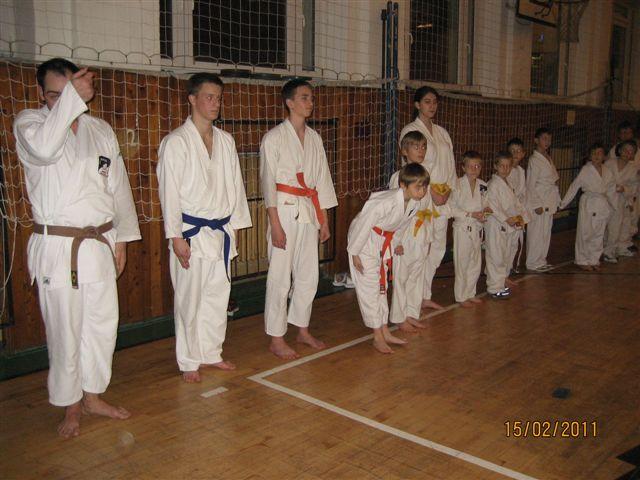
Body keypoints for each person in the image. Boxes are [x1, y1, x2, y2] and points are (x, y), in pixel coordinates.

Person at [13, 58, 141, 438]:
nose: (63, 100)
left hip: (99, 242)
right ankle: (70, 405)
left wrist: (122, 237)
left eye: (69, 91)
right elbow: (44, 150)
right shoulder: (30, 124)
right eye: (56, 94)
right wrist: (71, 99)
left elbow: (118, 187)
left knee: (102, 325)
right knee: (65, 329)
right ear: (42, 94)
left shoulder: (99, 130)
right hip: (58, 246)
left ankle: (93, 396)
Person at [157, 73, 252, 383]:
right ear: (192, 99)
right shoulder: (175, 142)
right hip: (191, 232)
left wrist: (236, 228)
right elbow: (169, 192)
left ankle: (211, 352)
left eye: (218, 98)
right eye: (209, 97)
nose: (215, 103)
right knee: (189, 299)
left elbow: (236, 187)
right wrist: (175, 237)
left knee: (216, 296)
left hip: (220, 231)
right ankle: (188, 360)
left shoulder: (226, 140)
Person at [260, 79, 338, 360]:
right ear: (289, 102)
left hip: (308, 209)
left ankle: (302, 329)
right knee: (280, 276)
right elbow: (267, 182)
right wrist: (275, 224)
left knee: (308, 274)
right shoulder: (274, 138)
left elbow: (323, 179)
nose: (310, 102)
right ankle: (276, 337)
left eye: (311, 98)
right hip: (283, 209)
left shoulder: (315, 138)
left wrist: (324, 219)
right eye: (304, 98)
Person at [348, 163, 429, 353]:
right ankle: (377, 336)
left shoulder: (414, 204)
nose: (422, 191)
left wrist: (396, 243)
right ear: (403, 185)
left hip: (383, 241)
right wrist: (355, 252)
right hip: (364, 240)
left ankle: (385, 331)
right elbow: (363, 223)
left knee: (381, 287)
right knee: (370, 288)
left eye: (425, 187)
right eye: (418, 187)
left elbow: (401, 226)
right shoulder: (386, 201)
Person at [399, 86, 456, 310]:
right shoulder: (410, 130)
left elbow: (450, 165)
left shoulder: (442, 133)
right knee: (420, 248)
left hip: (443, 196)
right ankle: (411, 299)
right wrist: (430, 191)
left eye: (435, 102)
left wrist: (448, 191)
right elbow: (411, 167)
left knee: (438, 248)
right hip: (422, 195)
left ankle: (424, 294)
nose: (432, 106)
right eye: (427, 102)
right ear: (417, 105)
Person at [388, 131, 432, 332]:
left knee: (417, 275)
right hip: (404, 234)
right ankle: (399, 316)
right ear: (404, 151)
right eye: (416, 147)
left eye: (423, 146)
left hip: (420, 232)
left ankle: (412, 313)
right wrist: (395, 241)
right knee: (401, 277)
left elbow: (428, 210)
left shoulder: (425, 174)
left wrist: (428, 237)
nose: (421, 150)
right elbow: (394, 211)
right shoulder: (399, 177)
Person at [559, 143, 615, 270]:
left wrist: (613, 205)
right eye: (594, 153)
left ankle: (594, 259)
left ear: (604, 156)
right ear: (589, 156)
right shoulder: (586, 170)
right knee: (585, 232)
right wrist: (563, 203)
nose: (596, 156)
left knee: (599, 233)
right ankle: (582, 260)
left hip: (602, 203)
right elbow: (575, 186)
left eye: (599, 153)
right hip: (589, 202)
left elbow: (611, 189)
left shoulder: (607, 171)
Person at [485, 152, 529, 299]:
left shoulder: (507, 183)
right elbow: (492, 206)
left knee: (505, 255)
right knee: (496, 256)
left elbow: (516, 203)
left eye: (508, 166)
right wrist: (506, 219)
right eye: (502, 166)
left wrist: (522, 217)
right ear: (495, 166)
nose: (505, 169)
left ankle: (502, 279)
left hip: (507, 224)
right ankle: (494, 288)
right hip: (496, 224)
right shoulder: (493, 184)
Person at [450, 151, 491, 307]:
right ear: (463, 167)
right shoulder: (457, 184)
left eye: (477, 166)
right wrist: (470, 214)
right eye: (470, 166)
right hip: (462, 228)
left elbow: (487, 205)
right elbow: (452, 208)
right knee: (462, 263)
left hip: (476, 228)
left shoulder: (483, 186)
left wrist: (485, 213)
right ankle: (461, 296)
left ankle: (470, 293)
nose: (474, 169)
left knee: (475, 262)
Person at [525, 128, 560, 272]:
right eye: (544, 138)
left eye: (549, 139)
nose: (547, 142)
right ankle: (532, 262)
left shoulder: (547, 157)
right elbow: (530, 184)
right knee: (536, 233)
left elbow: (554, 178)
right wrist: (536, 204)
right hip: (539, 199)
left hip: (548, 199)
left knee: (545, 232)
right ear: (536, 140)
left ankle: (541, 260)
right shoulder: (534, 160)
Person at [603, 140, 639, 262]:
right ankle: (597, 250)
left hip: (620, 201)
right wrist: (611, 188)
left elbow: (634, 187)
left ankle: (609, 252)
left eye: (631, 152)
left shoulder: (633, 169)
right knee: (601, 226)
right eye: (625, 150)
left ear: (633, 155)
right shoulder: (609, 163)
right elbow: (602, 179)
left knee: (615, 227)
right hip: (605, 199)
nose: (627, 153)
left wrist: (624, 189)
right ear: (619, 150)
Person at [506, 137, 527, 273]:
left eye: (518, 151)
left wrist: (522, 214)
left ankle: (508, 269)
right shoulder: (505, 170)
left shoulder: (521, 171)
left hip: (518, 211)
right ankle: (501, 273)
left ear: (523, 154)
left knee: (514, 243)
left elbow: (523, 193)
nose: (515, 154)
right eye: (512, 151)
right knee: (506, 243)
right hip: (508, 211)